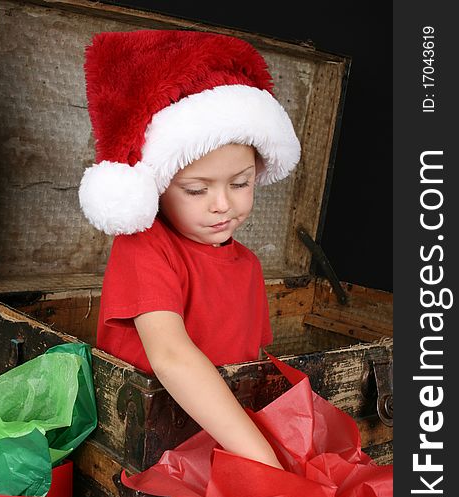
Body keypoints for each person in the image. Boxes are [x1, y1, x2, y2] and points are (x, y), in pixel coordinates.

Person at [79, 30, 301, 470]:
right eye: (197, 189)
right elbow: (172, 356)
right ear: (157, 187)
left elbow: (249, 371)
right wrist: (259, 455)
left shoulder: (249, 266)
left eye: (241, 183)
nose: (223, 204)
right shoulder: (144, 248)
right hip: (154, 452)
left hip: (224, 445)